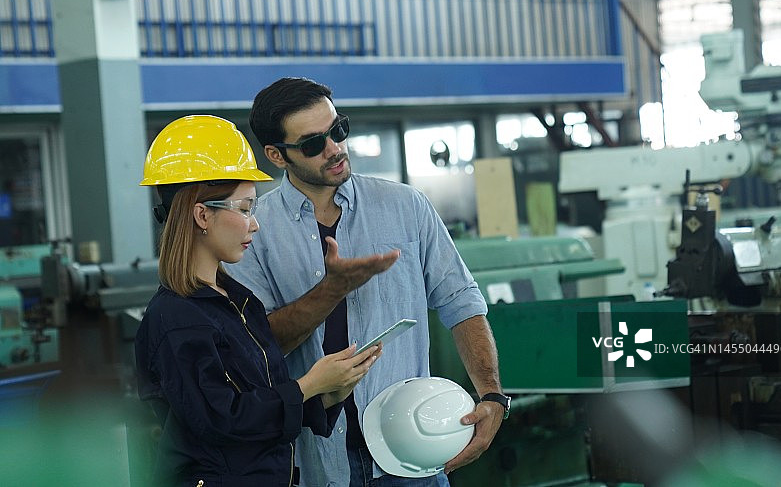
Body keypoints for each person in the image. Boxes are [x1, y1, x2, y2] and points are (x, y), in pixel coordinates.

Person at [228, 77, 509, 486]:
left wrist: (491, 394)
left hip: (411, 454)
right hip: (312, 460)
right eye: (312, 144)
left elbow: (461, 300)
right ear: (276, 155)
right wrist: (331, 290)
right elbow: (256, 346)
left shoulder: (405, 206)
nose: (335, 149)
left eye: (338, 131)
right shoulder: (255, 229)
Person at [135, 115, 381, 487]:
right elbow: (222, 421)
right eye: (245, 208)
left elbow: (260, 404)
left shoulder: (238, 301)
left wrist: (330, 394)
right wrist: (309, 385)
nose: (255, 224)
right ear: (202, 214)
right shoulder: (177, 319)